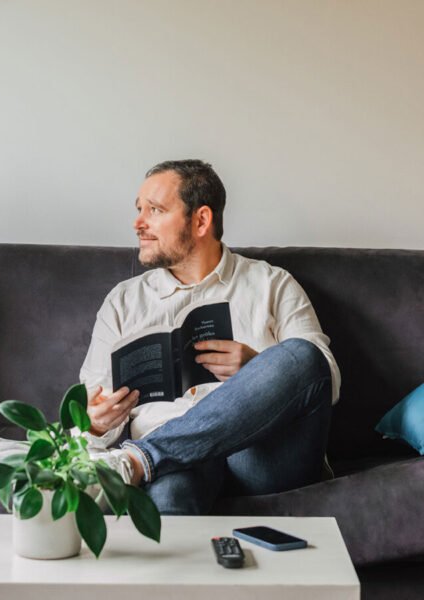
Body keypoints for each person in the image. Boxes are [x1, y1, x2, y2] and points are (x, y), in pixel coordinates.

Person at [80, 159, 340, 515]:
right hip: (176, 463)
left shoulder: (271, 283)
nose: (138, 223)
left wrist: (256, 367)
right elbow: (86, 414)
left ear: (201, 220)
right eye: (139, 210)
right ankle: (149, 460)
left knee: (302, 354)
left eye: (154, 210)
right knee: (169, 497)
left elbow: (323, 378)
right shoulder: (123, 302)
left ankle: (139, 459)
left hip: (260, 457)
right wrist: (95, 423)